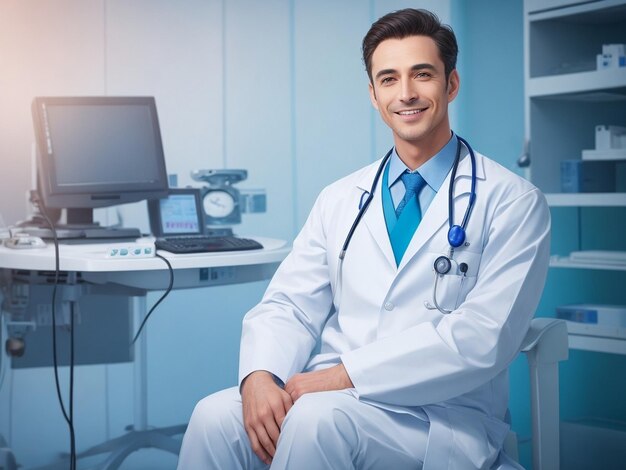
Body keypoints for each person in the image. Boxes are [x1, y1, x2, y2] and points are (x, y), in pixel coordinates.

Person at [177, 8, 550, 470]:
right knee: (214, 416)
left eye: (423, 75)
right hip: (331, 396)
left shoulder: (513, 202)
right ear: (373, 95)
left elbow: (482, 338)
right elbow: (289, 304)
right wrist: (259, 375)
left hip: (440, 417)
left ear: (451, 85)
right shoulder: (340, 198)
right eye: (389, 79)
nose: (406, 93)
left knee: (316, 420)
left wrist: (343, 376)